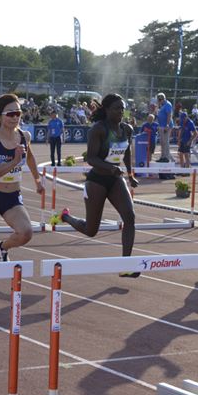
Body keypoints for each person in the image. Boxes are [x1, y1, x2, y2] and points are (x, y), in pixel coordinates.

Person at [0, 94, 44, 301]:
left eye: (18, 113)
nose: (15, 117)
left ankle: (3, 247)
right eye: (11, 113)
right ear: (0, 116)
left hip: (12, 196)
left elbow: (29, 156)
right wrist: (14, 161)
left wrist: (37, 179)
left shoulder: (24, 136)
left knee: (26, 233)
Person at [57, 93, 140, 275]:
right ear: (107, 110)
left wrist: (130, 174)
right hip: (97, 181)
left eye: (123, 108)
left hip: (116, 179)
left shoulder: (127, 129)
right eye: (117, 108)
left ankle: (126, 265)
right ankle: (66, 217)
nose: (121, 112)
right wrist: (110, 168)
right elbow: (92, 158)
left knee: (130, 217)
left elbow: (126, 153)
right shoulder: (98, 129)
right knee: (91, 230)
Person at [156, 93, 173, 162]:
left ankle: (166, 157)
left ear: (163, 99)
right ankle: (162, 156)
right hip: (161, 125)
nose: (159, 101)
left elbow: (169, 115)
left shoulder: (167, 104)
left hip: (165, 126)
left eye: (160, 100)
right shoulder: (162, 105)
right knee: (162, 142)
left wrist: (167, 125)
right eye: (158, 100)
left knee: (165, 142)